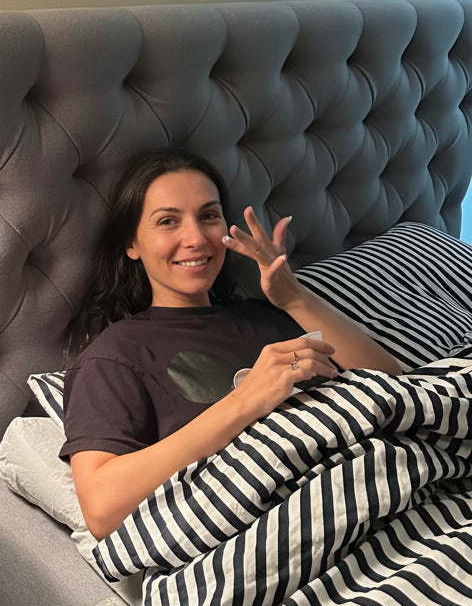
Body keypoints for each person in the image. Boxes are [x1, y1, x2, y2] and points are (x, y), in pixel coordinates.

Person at [61, 147, 402, 540]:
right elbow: (101, 509)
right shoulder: (115, 356)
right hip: (292, 531)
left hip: (379, 490)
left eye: (209, 216)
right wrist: (247, 399)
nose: (196, 238)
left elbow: (390, 384)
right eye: (168, 221)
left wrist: (294, 297)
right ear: (131, 244)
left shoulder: (267, 315)